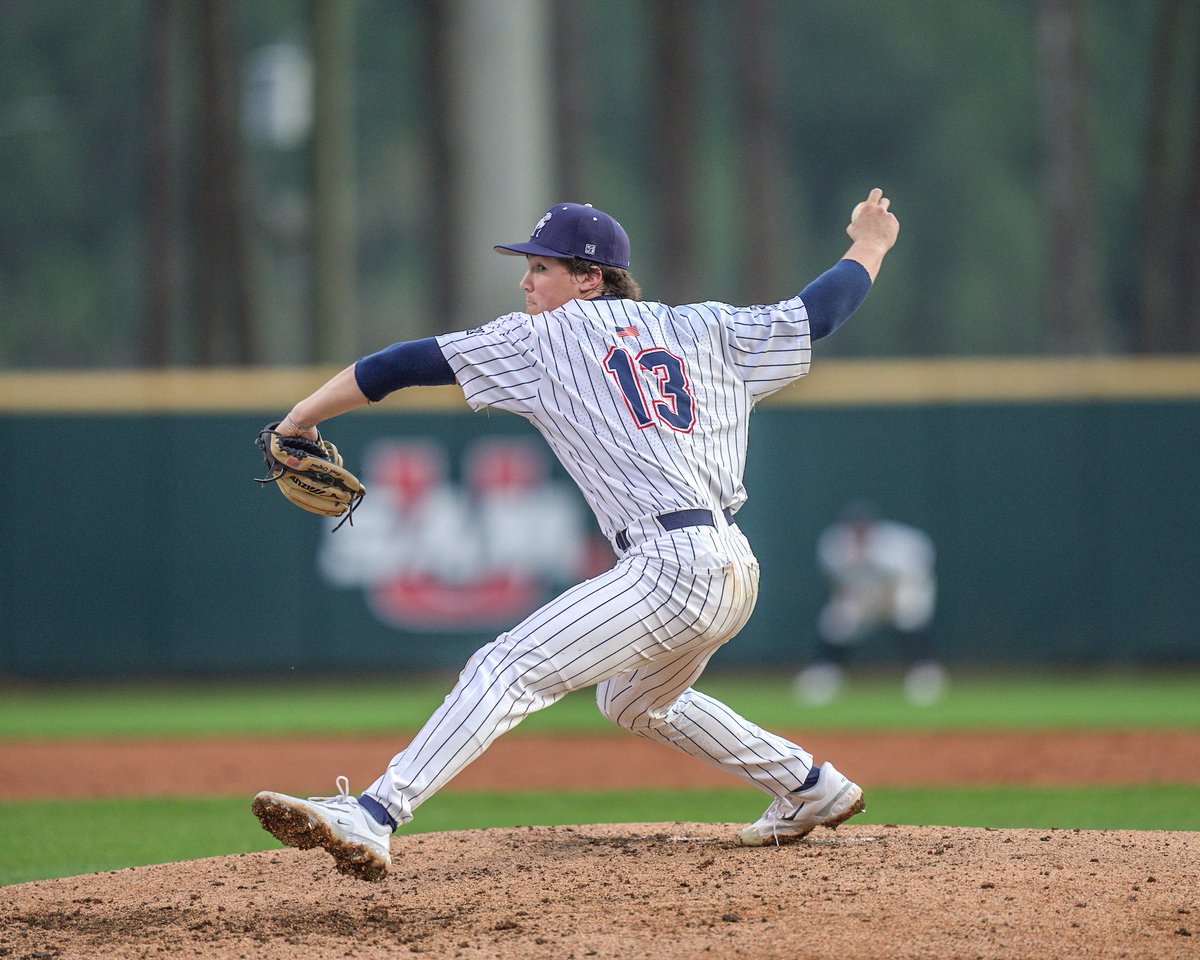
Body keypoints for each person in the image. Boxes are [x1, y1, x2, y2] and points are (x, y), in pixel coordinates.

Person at [252, 189, 901, 881]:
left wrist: (299, 419)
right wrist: (871, 243)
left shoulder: (545, 338)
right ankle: (808, 786)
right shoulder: (710, 327)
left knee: (505, 667)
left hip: (668, 566)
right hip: (731, 567)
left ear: (590, 279)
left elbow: (401, 365)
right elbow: (820, 311)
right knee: (631, 700)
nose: (527, 282)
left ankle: (376, 814)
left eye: (542, 269)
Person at [794, 501, 947, 706]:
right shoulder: (835, 544)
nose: (860, 533)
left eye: (864, 528)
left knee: (907, 609)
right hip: (865, 595)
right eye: (855, 529)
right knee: (838, 617)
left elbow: (914, 576)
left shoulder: (897, 542)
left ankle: (924, 675)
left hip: (899, 590)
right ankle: (825, 674)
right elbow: (841, 585)